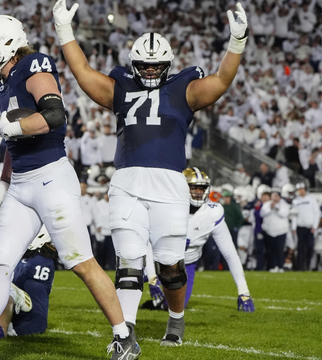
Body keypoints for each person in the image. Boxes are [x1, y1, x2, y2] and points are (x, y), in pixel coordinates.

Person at [0, 14, 138, 360]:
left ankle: (124, 337)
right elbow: (12, 146)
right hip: (22, 184)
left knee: (80, 261)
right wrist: (2, 186)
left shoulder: (34, 64)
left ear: (8, 42)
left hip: (52, 178)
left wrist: (18, 127)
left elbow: (55, 115)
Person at [53, 0, 249, 347]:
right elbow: (83, 74)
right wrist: (64, 31)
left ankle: (176, 320)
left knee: (170, 265)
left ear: (168, 65)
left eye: (157, 66)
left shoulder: (184, 88)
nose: (150, 71)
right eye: (145, 65)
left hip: (169, 182)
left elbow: (220, 80)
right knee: (129, 261)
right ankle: (125, 332)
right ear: (134, 63)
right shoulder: (121, 87)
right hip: (127, 180)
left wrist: (237, 42)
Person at [143, 168, 254, 311]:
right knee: (130, 277)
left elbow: (230, 253)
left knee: (176, 306)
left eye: (201, 188)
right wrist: (152, 276)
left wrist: (244, 292)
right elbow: (147, 243)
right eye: (193, 187)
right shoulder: (165, 208)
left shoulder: (212, 212)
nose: (198, 192)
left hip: (187, 262)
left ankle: (157, 303)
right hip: (156, 258)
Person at [291, 182, 321, 271]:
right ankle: (300, 267)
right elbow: (294, 215)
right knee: (301, 248)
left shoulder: (312, 199)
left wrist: (315, 226)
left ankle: (308, 265)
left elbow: (316, 213)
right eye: (299, 190)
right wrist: (293, 227)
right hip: (300, 227)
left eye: (302, 189)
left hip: (310, 228)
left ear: (305, 189)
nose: (301, 191)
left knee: (310, 247)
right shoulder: (295, 201)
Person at [260, 189, 290, 272]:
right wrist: (270, 208)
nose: (274, 197)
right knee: (271, 250)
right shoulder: (267, 204)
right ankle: (272, 266)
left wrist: (276, 208)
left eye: (276, 196)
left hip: (281, 231)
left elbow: (284, 214)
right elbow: (262, 214)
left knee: (279, 250)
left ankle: (280, 266)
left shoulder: (284, 204)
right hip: (269, 231)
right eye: (273, 195)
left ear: (279, 197)